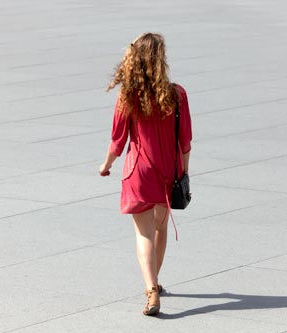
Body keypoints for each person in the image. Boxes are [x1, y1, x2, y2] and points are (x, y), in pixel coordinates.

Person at [99, 32, 192, 316]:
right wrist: (183, 172)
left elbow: (118, 140)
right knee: (160, 228)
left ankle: (151, 289)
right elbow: (185, 141)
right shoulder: (177, 94)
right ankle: (154, 283)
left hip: (140, 171)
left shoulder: (129, 95)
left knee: (144, 234)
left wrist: (106, 165)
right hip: (168, 170)